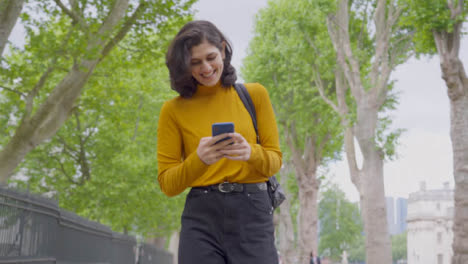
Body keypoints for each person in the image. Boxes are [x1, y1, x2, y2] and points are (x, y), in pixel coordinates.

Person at [157, 20, 282, 264]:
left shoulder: (255, 95)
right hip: (201, 216)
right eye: (195, 62)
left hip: (252, 213)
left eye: (211, 57)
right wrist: (199, 159)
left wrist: (250, 152)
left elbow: (274, 162)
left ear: (223, 50)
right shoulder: (172, 110)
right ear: (184, 66)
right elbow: (168, 185)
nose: (206, 68)